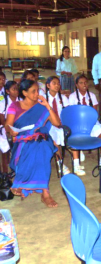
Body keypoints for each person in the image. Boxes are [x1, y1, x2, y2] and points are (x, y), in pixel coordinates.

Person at [5, 79, 60, 207]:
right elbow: (8, 126)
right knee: (36, 148)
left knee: (41, 147)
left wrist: (47, 105)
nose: (37, 94)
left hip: (42, 138)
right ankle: (43, 191)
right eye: (33, 91)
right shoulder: (15, 106)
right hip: (22, 140)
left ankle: (39, 190)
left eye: (38, 90)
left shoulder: (41, 106)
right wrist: (11, 131)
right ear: (24, 93)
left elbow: (57, 123)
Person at [69, 75, 101, 175]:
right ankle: (76, 161)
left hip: (91, 121)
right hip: (78, 122)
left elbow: (94, 112)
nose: (84, 84)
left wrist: (90, 122)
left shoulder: (92, 96)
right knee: (75, 135)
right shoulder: (72, 96)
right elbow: (72, 113)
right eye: (81, 83)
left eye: (85, 82)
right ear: (77, 85)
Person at [45, 76, 70, 175]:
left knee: (69, 131)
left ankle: (76, 155)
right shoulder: (44, 99)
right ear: (48, 85)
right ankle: (60, 163)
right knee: (55, 137)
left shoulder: (63, 98)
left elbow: (67, 113)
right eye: (54, 83)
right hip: (50, 124)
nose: (57, 85)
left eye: (58, 83)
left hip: (62, 123)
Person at [0, 81, 20, 173]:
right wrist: (9, 129)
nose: (17, 91)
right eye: (14, 89)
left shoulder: (21, 100)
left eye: (17, 89)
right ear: (8, 91)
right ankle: (5, 171)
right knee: (5, 141)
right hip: (6, 126)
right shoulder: (3, 102)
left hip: (19, 126)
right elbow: (2, 119)